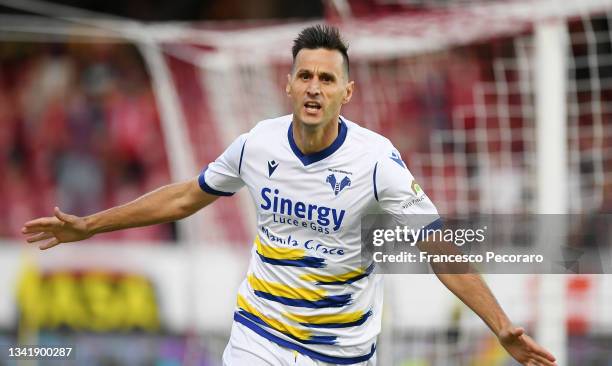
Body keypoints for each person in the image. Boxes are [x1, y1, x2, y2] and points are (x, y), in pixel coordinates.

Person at [22, 25, 557, 366]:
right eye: (305, 75)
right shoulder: (259, 143)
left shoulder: (377, 163)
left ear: (347, 92)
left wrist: (503, 326)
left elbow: (439, 248)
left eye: (327, 78)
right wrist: (89, 225)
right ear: (289, 83)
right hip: (260, 336)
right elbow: (187, 197)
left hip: (341, 352)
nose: (314, 88)